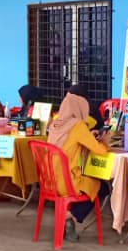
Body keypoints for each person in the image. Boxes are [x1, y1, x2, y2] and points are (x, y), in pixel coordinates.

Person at [46, 91, 112, 242]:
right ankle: (71, 215)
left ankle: (68, 217)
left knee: (92, 185)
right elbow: (100, 150)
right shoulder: (78, 126)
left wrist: (89, 135)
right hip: (68, 182)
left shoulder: (55, 124)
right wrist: (106, 140)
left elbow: (73, 140)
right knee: (102, 187)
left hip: (50, 181)